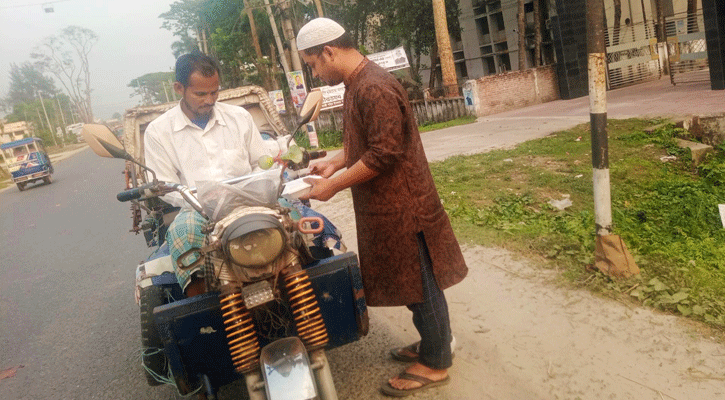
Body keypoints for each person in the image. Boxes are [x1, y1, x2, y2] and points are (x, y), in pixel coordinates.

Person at [296, 18, 468, 397]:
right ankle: (433, 342)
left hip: (405, 206)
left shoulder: (373, 86)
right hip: (388, 205)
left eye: (313, 64)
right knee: (412, 281)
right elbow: (368, 141)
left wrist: (331, 186)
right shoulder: (358, 83)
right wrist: (335, 163)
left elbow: (384, 153)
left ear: (328, 51)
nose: (315, 73)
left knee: (421, 284)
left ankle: (437, 362)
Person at [144, 53, 273, 297]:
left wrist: (255, 184)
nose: (210, 100)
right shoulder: (158, 132)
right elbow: (165, 185)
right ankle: (205, 306)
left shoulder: (239, 117)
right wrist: (201, 198)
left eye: (215, 92)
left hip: (248, 200)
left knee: (295, 221)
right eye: (201, 94)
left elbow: (261, 163)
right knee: (182, 234)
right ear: (179, 88)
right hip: (196, 211)